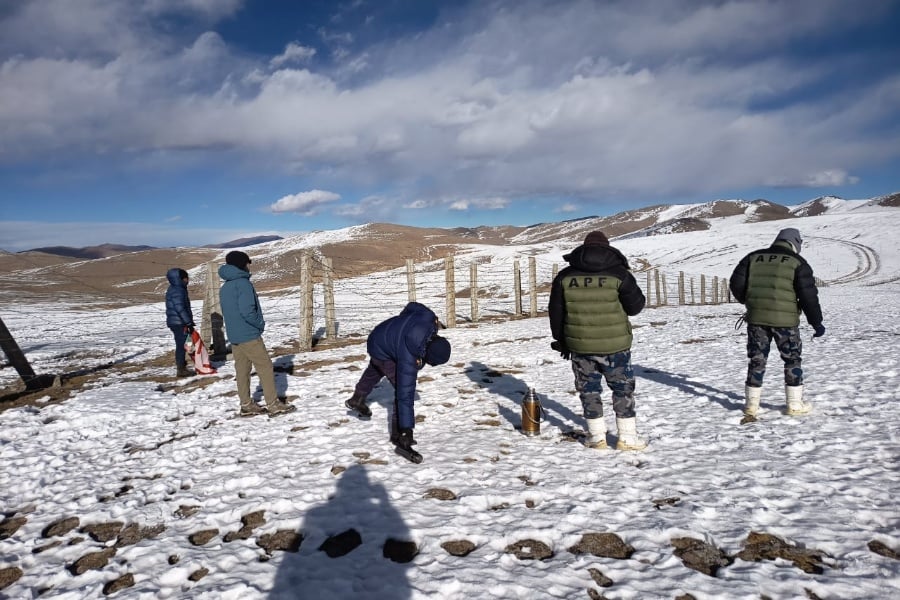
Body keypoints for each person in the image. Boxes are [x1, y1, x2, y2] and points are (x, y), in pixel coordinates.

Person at [548, 230, 647, 450]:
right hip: (616, 345)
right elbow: (635, 307)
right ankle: (627, 438)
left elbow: (556, 312)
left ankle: (596, 437)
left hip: (580, 345)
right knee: (622, 389)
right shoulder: (619, 274)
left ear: (583, 249)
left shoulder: (565, 276)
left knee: (589, 390)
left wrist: (561, 340)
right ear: (607, 249)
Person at [729, 227, 824, 420]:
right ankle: (794, 405)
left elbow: (735, 284)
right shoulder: (797, 262)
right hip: (786, 322)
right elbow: (808, 296)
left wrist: (751, 302)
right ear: (795, 243)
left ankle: (751, 406)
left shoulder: (753, 257)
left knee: (757, 360)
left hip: (756, 320)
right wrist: (816, 322)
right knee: (792, 360)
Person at [345, 302, 451, 463]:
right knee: (399, 386)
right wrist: (407, 429)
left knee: (376, 368)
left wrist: (402, 324)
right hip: (382, 345)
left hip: (380, 335)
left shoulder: (429, 319)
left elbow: (412, 306)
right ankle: (398, 435)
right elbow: (404, 395)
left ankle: (357, 399)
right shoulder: (408, 356)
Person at [218, 251, 296, 418]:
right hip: (248, 334)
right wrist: (259, 324)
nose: (249, 266)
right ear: (241, 264)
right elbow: (248, 311)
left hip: (234, 335)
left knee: (242, 369)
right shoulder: (243, 283)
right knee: (265, 366)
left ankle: (246, 405)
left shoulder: (225, 286)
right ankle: (273, 404)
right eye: (247, 263)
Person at [165, 268, 196, 378]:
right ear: (181, 279)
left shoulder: (174, 288)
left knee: (187, 343)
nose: (188, 280)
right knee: (182, 345)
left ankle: (187, 364)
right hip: (180, 323)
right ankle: (181, 369)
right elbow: (180, 308)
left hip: (177, 322)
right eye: (186, 278)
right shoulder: (178, 290)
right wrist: (188, 322)